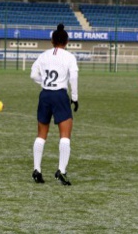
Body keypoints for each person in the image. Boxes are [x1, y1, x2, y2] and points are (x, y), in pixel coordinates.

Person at [30, 24, 79, 186]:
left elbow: (33, 75)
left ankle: (36, 169)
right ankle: (61, 171)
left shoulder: (43, 55)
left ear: (52, 41)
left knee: (41, 134)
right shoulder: (69, 57)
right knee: (65, 135)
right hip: (59, 95)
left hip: (45, 95)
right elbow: (73, 77)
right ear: (67, 41)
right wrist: (75, 97)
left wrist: (44, 82)